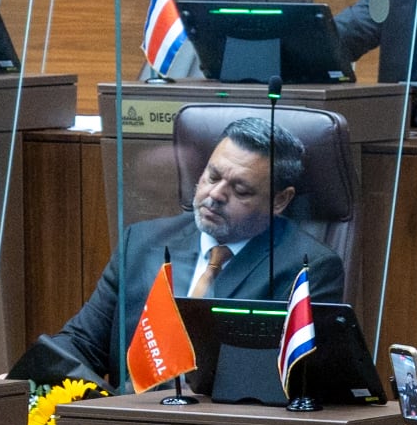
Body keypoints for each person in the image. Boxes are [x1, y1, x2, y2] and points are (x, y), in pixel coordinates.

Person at [29, 115, 343, 385]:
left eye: (240, 190)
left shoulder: (306, 269)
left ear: (280, 200)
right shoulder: (142, 242)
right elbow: (82, 342)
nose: (215, 195)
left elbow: (282, 381)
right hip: (121, 417)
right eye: (212, 176)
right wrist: (26, 380)